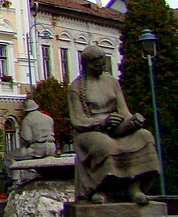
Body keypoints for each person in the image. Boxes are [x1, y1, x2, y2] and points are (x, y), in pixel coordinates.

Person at [68, 45, 160, 204]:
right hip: (90, 130)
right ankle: (102, 189)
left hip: (117, 127)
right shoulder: (75, 87)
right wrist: (101, 122)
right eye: (97, 65)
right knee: (106, 145)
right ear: (86, 64)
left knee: (144, 136)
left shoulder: (112, 82)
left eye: (103, 64)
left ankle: (134, 187)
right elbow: (78, 120)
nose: (101, 68)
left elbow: (123, 110)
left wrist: (132, 121)